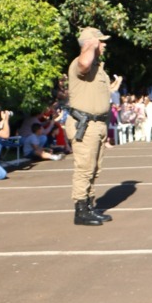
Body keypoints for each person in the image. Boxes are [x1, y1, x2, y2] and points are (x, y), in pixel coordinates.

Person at [65, 26, 114, 226]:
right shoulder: (80, 64)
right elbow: (85, 62)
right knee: (84, 168)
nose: (103, 45)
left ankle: (89, 205)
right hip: (85, 124)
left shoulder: (98, 68)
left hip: (98, 124)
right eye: (99, 41)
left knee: (94, 169)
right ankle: (81, 210)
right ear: (89, 44)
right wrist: (91, 43)